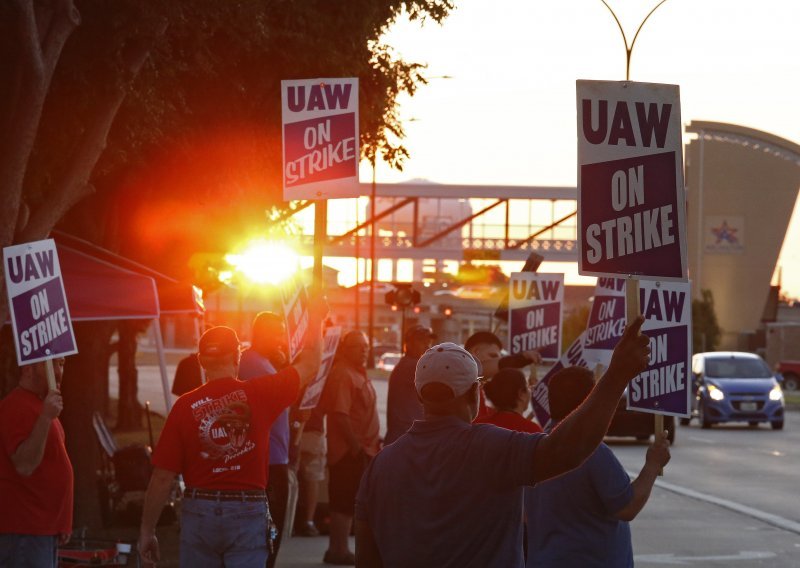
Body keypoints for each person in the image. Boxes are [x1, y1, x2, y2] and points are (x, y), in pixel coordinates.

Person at [355, 317, 651, 568]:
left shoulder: (381, 465)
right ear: (474, 393)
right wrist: (616, 376)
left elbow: (366, 557)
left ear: (420, 397)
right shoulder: (492, 448)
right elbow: (567, 450)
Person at [138, 299, 326, 568]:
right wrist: (316, 320)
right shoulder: (261, 393)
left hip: (199, 509)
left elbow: (162, 477)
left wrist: (147, 531)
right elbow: (311, 365)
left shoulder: (184, 407)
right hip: (247, 509)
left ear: (202, 360)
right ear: (237, 357)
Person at [526, 366, 671, 567]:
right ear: (591, 401)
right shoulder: (589, 450)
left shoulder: (536, 446)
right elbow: (627, 508)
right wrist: (652, 465)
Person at [0, 358, 72, 568]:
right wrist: (45, 418)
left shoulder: (41, 406)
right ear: (28, 368)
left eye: (62, 364)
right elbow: (25, 464)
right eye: (51, 365)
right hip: (24, 531)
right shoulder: (16, 406)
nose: (58, 372)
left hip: (42, 530)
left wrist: (61, 522)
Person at [320, 330, 380, 566]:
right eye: (358, 346)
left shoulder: (358, 373)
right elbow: (339, 414)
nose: (363, 350)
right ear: (345, 349)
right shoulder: (343, 374)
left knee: (349, 501)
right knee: (343, 503)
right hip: (348, 452)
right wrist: (355, 446)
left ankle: (340, 548)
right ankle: (338, 550)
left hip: (363, 449)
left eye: (366, 346)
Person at [238, 311, 292, 568]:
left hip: (275, 455)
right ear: (261, 334)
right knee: (269, 533)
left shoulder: (261, 361)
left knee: (272, 531)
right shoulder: (253, 364)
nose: (281, 339)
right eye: (277, 333)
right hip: (268, 460)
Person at [463, 331, 541, 420]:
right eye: (493, 356)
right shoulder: (459, 375)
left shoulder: (481, 397)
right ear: (475, 352)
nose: (496, 362)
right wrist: (521, 359)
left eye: (498, 358)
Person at [384, 324, 436, 444]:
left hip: (406, 437)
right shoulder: (412, 366)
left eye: (428, 341)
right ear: (408, 344)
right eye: (421, 341)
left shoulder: (410, 364)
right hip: (403, 438)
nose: (427, 345)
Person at [474, 368, 542, 433]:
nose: (530, 390)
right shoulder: (533, 431)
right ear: (521, 394)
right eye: (527, 387)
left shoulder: (477, 425)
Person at [293, 405, 326, 537]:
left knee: (292, 474)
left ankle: (291, 520)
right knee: (313, 477)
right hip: (314, 430)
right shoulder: (322, 385)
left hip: (293, 427)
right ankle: (309, 521)